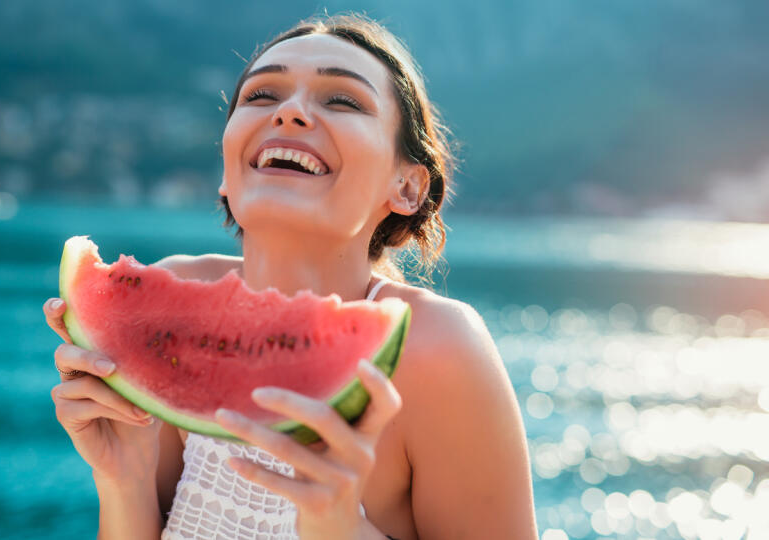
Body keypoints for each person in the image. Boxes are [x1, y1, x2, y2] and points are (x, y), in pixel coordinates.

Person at [45, 12, 538, 539]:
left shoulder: (436, 348)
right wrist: (124, 481)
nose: (290, 113)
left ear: (409, 187)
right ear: (228, 166)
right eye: (260, 96)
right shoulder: (173, 310)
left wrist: (338, 528)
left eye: (342, 100)